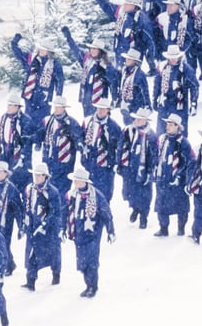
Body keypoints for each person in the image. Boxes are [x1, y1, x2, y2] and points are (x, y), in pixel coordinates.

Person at [63, 166, 115, 298]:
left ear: (85, 182)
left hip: (92, 234)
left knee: (91, 260)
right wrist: (63, 227)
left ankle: (93, 286)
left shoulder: (96, 196)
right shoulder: (73, 195)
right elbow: (66, 212)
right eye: (75, 181)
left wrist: (110, 230)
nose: (76, 183)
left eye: (78, 181)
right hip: (78, 233)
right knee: (82, 261)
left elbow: (106, 213)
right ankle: (87, 284)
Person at [20, 161, 63, 291]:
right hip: (33, 227)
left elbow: (55, 212)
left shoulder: (52, 192)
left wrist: (45, 224)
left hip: (49, 230)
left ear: (45, 176)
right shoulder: (30, 189)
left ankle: (56, 273)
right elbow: (27, 206)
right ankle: (31, 281)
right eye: (35, 175)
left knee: (53, 253)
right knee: (32, 254)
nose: (37, 177)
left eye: (39, 175)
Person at [62, 26, 119, 118]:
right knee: (88, 121)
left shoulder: (106, 66)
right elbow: (76, 50)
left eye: (94, 49)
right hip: (86, 98)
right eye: (91, 48)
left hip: (99, 100)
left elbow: (113, 83)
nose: (91, 50)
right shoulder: (87, 60)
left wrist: (114, 98)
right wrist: (69, 38)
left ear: (100, 51)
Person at [153, 114, 194, 237]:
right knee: (161, 205)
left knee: (181, 206)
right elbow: (157, 155)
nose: (168, 127)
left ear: (177, 127)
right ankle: (163, 228)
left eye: (171, 125)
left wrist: (180, 175)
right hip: (163, 177)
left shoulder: (184, 143)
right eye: (167, 124)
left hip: (178, 180)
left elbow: (189, 161)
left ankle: (181, 228)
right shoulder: (162, 139)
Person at [118, 108, 157, 230]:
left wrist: (150, 171)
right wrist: (119, 163)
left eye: (140, 119)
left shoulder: (151, 135)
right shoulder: (128, 131)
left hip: (143, 169)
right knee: (131, 192)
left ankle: (143, 217)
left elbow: (153, 155)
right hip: (129, 168)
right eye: (136, 119)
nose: (137, 121)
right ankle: (135, 208)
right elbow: (121, 147)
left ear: (145, 121)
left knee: (145, 195)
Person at [11, 35, 64, 124]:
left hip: (44, 99)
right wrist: (14, 42)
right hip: (30, 96)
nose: (41, 51)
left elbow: (60, 80)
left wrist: (59, 95)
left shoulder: (54, 64)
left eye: (43, 49)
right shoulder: (32, 58)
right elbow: (18, 54)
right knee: (28, 122)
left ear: (49, 51)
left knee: (42, 123)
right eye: (40, 48)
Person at [80, 99, 122, 201]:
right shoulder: (88, 122)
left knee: (104, 194)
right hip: (90, 163)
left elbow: (119, 146)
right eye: (99, 108)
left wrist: (113, 161)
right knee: (89, 192)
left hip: (105, 166)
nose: (100, 111)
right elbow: (81, 138)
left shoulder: (114, 126)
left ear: (108, 110)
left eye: (103, 109)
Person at [154, 44, 198, 136]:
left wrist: (193, 103)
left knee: (180, 131)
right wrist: (154, 99)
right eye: (171, 57)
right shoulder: (162, 67)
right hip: (164, 103)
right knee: (162, 131)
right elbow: (157, 84)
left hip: (179, 105)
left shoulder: (186, 69)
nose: (173, 59)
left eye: (175, 57)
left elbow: (194, 86)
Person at [40, 95, 82, 182]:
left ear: (64, 108)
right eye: (55, 107)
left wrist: (76, 141)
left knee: (63, 186)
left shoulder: (72, 123)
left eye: (59, 107)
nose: (56, 109)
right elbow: (40, 134)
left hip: (65, 162)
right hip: (48, 158)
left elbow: (79, 138)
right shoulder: (47, 121)